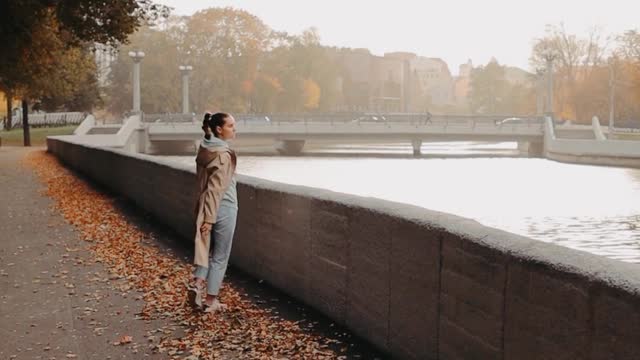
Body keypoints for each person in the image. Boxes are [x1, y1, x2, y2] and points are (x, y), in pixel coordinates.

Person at [188, 112, 238, 312]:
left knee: (206, 247)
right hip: (223, 205)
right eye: (231, 126)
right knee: (220, 255)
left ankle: (198, 281)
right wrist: (210, 218)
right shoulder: (223, 155)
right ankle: (210, 301)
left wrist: (206, 216)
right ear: (219, 129)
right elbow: (216, 189)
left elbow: (207, 187)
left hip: (205, 204)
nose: (235, 130)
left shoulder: (205, 148)